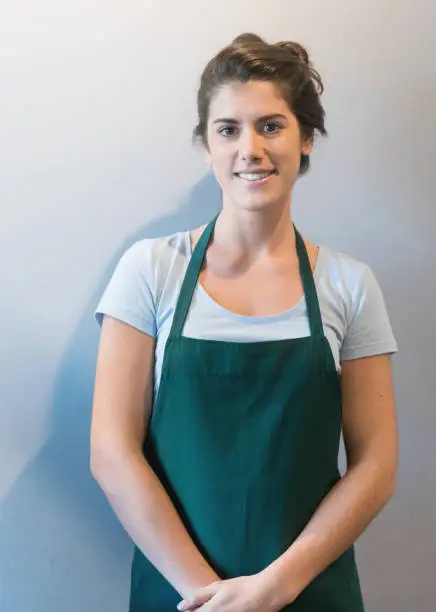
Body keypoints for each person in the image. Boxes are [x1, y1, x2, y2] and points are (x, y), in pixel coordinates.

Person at [91, 33, 398, 612]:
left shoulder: (350, 285)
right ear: (206, 145)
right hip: (180, 594)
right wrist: (208, 597)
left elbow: (376, 465)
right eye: (228, 129)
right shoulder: (151, 270)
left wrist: (274, 587)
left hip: (310, 592)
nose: (250, 148)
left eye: (271, 126)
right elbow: (111, 452)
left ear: (307, 139)